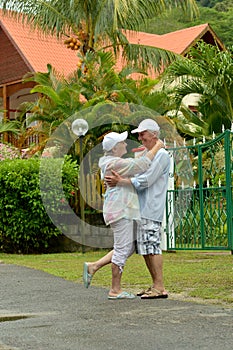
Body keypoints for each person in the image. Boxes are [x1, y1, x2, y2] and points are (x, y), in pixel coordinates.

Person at [83, 130, 164, 299]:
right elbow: (140, 166)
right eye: (122, 143)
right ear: (114, 149)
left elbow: (136, 170)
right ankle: (115, 289)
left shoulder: (114, 161)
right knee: (122, 249)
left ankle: (94, 266)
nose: (126, 144)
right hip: (121, 211)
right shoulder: (114, 163)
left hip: (122, 210)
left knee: (131, 246)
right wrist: (157, 146)